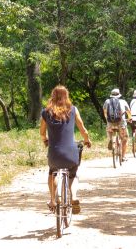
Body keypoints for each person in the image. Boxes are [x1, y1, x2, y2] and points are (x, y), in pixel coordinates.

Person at [40, 85, 91, 214]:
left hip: (54, 154)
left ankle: (52, 200)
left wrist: (45, 140)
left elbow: (42, 133)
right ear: (66, 96)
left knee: (52, 173)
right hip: (70, 154)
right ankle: (74, 197)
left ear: (52, 97)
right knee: (73, 174)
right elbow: (83, 129)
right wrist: (87, 140)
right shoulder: (73, 110)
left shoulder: (46, 113)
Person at [103, 88, 132, 161]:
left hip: (110, 124)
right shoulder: (123, 101)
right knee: (125, 138)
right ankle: (123, 157)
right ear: (119, 95)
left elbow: (105, 112)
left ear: (111, 95)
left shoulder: (107, 101)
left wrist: (107, 119)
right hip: (121, 123)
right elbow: (128, 111)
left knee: (110, 131)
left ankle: (111, 140)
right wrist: (130, 118)